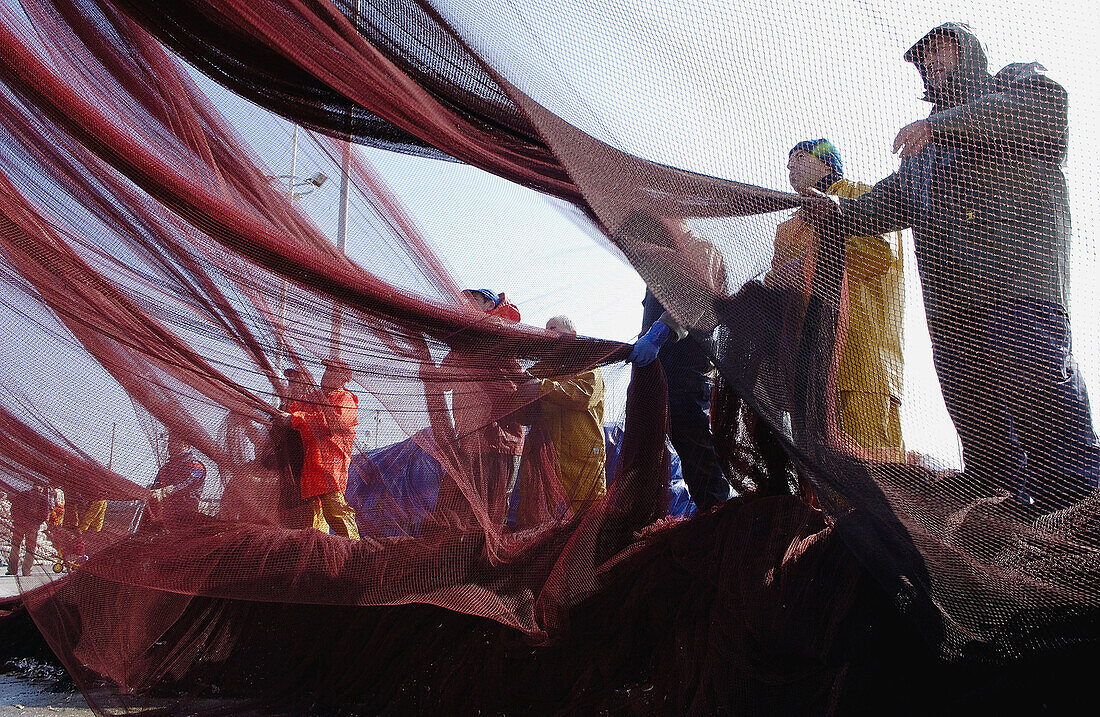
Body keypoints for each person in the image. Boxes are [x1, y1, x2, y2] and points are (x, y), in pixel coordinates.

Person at [811, 23, 1098, 509]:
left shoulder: (1015, 85)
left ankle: (1082, 516)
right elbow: (883, 204)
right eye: (924, 60)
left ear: (968, 53)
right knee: (983, 434)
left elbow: (1045, 116)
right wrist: (836, 212)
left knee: (1046, 411)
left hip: (1019, 292)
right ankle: (1009, 526)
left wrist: (940, 125)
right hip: (951, 312)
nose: (930, 64)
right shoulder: (920, 157)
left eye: (940, 51)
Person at [769, 139, 906, 459]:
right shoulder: (786, 229)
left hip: (863, 366)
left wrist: (805, 264)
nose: (790, 167)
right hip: (808, 371)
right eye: (787, 161)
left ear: (827, 162)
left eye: (799, 157)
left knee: (873, 473)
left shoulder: (863, 197)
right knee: (821, 482)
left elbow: (878, 255)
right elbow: (778, 285)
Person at [628, 218, 732, 511]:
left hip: (687, 365)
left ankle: (717, 517)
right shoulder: (657, 257)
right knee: (646, 446)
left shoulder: (702, 250)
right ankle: (643, 516)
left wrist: (659, 334)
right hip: (653, 367)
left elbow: (696, 300)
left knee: (693, 444)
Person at [515, 316, 607, 526]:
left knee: (586, 521)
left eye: (554, 328)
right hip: (546, 459)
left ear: (572, 335)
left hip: (582, 459)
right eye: (546, 330)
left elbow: (584, 396)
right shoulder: (542, 369)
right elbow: (523, 415)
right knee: (538, 520)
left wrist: (540, 388)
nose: (548, 333)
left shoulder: (589, 363)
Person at [282, 358, 361, 539]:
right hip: (312, 467)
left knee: (335, 510)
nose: (327, 375)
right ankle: (319, 552)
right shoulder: (313, 399)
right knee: (314, 518)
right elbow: (294, 410)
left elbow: (331, 424)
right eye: (327, 370)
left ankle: (354, 549)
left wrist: (295, 419)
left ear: (344, 378)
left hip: (331, 466)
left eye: (333, 371)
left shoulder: (345, 399)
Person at [150, 435, 207, 518]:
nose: (169, 445)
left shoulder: (196, 466)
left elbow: (187, 484)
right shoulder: (166, 467)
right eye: (169, 442)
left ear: (186, 445)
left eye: (173, 442)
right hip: (160, 515)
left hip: (184, 515)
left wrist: (163, 492)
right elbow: (155, 488)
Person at [7, 484, 49, 576]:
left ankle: (12, 570)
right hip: (32, 527)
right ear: (40, 488)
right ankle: (27, 571)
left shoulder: (23, 494)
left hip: (19, 525)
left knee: (15, 546)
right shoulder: (43, 498)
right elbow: (45, 514)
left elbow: (13, 508)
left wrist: (17, 519)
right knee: (30, 548)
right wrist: (37, 523)